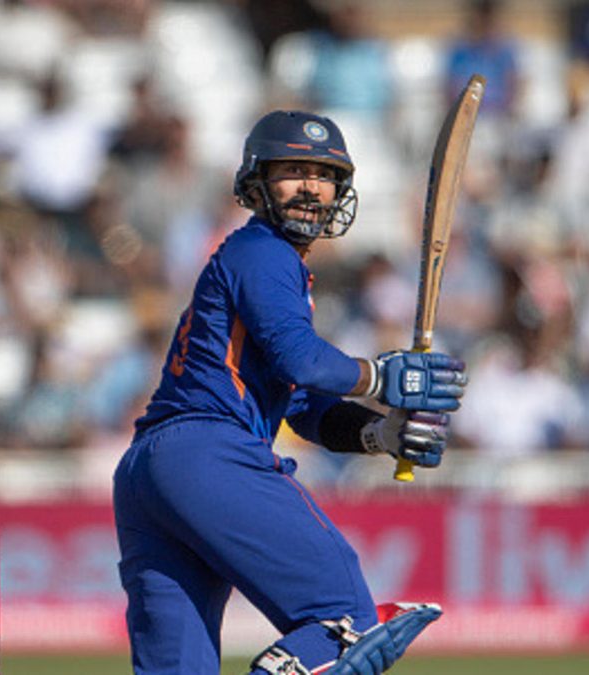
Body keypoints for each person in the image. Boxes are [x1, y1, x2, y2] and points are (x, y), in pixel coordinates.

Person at [113, 110, 470, 675]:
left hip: (149, 474)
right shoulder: (262, 252)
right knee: (344, 620)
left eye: (324, 174)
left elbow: (301, 407)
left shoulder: (264, 265)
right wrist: (383, 377)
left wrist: (380, 432)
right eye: (294, 171)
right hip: (210, 453)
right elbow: (300, 361)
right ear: (257, 183)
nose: (311, 186)